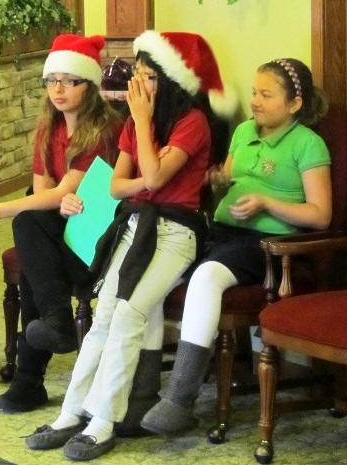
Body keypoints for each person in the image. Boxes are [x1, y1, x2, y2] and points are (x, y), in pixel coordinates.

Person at [24, 31, 233, 461]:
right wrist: (143, 167)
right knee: (104, 314)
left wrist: (141, 125)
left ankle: (103, 423)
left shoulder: (191, 122)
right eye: (136, 74)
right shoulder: (136, 124)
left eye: (147, 76)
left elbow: (153, 177)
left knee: (128, 314)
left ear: (169, 81)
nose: (137, 84)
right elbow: (117, 187)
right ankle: (70, 414)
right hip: (135, 225)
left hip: (177, 233)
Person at [140, 57, 331, 435]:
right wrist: (217, 180)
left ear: (294, 104)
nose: (255, 101)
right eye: (254, 92)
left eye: (266, 95)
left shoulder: (309, 145)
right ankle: (143, 392)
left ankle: (179, 398)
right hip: (222, 232)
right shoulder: (244, 131)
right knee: (154, 270)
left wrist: (266, 202)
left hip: (269, 245)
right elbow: (227, 176)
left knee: (206, 277)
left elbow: (321, 215)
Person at [0, 34, 121, 412]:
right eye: (52, 80)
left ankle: (30, 376)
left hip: (98, 240)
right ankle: (53, 327)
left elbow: (65, 191)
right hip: (65, 230)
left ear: (90, 85)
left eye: (69, 81)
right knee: (32, 234)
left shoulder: (104, 129)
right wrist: (57, 204)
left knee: (29, 231)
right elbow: (45, 193)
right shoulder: (48, 129)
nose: (58, 89)